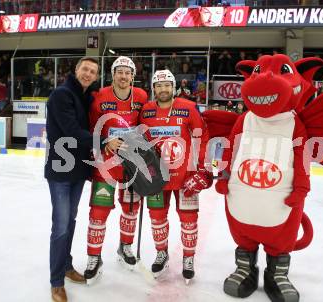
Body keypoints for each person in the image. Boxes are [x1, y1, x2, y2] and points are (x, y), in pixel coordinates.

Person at [45, 57, 117, 302]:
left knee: (71, 221)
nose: (88, 73)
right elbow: (71, 130)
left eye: (93, 71)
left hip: (77, 171)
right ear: (76, 70)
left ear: (96, 77)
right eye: (85, 69)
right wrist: (105, 141)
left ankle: (66, 266)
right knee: (61, 225)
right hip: (60, 171)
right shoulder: (61, 95)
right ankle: (56, 282)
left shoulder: (86, 98)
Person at [139, 69, 213, 283]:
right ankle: (161, 253)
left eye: (167, 85)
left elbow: (202, 137)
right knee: (157, 218)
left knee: (189, 220)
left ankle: (188, 259)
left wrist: (202, 168)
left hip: (185, 176)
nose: (163, 89)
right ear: (154, 88)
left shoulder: (188, 107)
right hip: (157, 178)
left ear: (174, 87)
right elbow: (141, 143)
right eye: (159, 85)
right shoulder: (146, 111)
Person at [84, 56, 148, 281]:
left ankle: (125, 246)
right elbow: (89, 127)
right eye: (119, 72)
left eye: (127, 72)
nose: (123, 76)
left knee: (131, 209)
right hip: (106, 165)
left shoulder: (141, 96)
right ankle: (94, 256)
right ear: (113, 74)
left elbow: (146, 126)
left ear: (133, 76)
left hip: (131, 164)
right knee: (98, 212)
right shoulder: (99, 97)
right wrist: (104, 140)